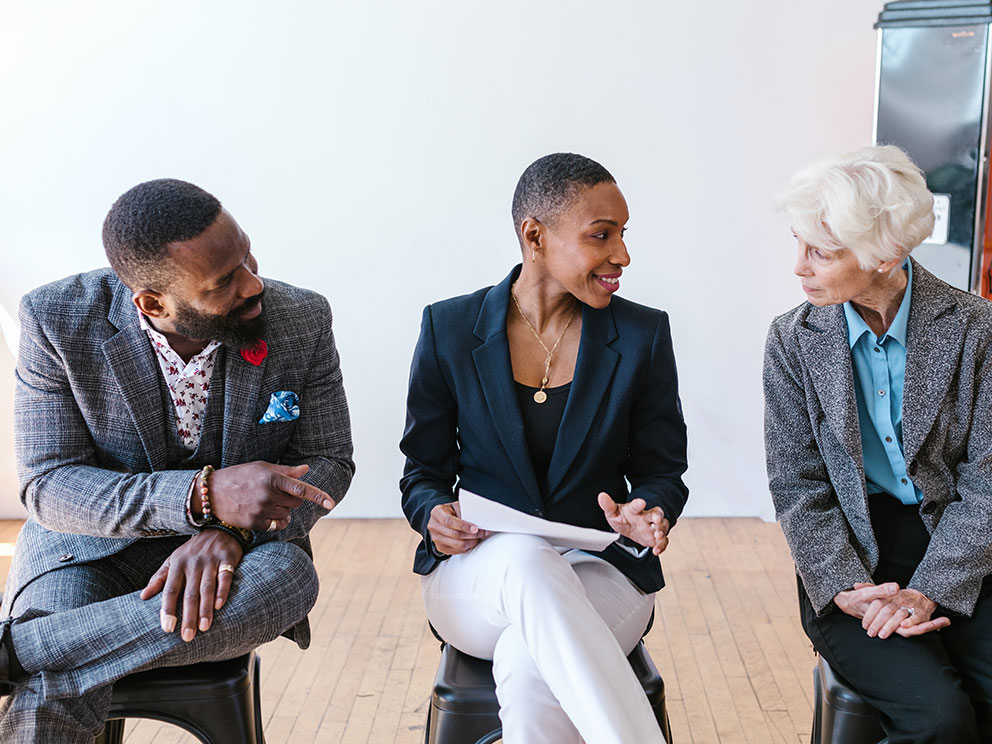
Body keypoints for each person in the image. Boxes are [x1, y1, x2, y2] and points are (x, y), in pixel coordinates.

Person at [1, 178, 354, 742]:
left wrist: (234, 534)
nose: (253, 282)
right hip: (83, 555)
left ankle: (15, 651)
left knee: (288, 578)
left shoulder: (302, 318)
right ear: (152, 303)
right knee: (53, 687)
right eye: (224, 281)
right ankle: (43, 652)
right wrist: (203, 497)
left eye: (247, 256)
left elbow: (329, 458)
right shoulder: (56, 320)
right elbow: (49, 485)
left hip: (242, 563)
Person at [400, 153, 688, 743]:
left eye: (623, 235)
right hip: (476, 575)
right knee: (526, 558)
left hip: (602, 573)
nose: (622, 256)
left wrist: (649, 512)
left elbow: (663, 472)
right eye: (600, 236)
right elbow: (422, 473)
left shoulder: (642, 335)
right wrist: (434, 515)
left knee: (529, 662)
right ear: (534, 235)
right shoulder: (448, 328)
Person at [764, 145, 992, 743]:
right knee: (939, 718)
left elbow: (986, 484)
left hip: (961, 543)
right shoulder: (792, 342)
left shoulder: (977, 331)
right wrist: (844, 586)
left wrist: (932, 589)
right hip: (852, 555)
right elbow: (798, 485)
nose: (799, 268)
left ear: (885, 254)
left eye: (819, 251)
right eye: (799, 244)